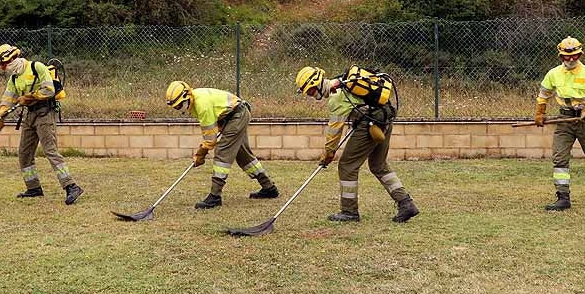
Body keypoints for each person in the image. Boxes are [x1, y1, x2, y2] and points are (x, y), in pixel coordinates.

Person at [294, 66, 419, 223]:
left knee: (347, 166)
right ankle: (406, 203)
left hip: (370, 126)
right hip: (383, 120)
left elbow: (334, 132)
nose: (311, 95)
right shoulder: (343, 82)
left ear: (317, 84)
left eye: (310, 91)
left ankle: (349, 211)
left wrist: (328, 154)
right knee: (378, 165)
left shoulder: (336, 96)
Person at [0, 44, 83, 205]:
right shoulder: (14, 78)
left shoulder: (37, 67)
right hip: (29, 116)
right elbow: (7, 99)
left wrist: (30, 97)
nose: (2, 68)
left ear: (11, 59)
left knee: (50, 151)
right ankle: (34, 188)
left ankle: (71, 186)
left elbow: (49, 90)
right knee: (24, 153)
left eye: (3, 64)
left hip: (44, 113)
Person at [164, 80, 278, 209]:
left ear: (187, 97)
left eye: (179, 106)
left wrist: (201, 154)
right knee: (243, 156)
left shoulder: (202, 105)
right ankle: (269, 188)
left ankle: (214, 197)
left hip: (237, 115)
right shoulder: (195, 101)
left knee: (222, 153)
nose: (178, 109)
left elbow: (210, 139)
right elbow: (216, 119)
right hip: (231, 117)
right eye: (175, 107)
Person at [534, 37, 585, 210]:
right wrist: (540, 113)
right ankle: (563, 197)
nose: (571, 59)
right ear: (561, 56)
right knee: (559, 158)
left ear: (580, 54)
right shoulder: (553, 74)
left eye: (574, 56)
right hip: (564, 120)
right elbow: (543, 94)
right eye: (566, 56)